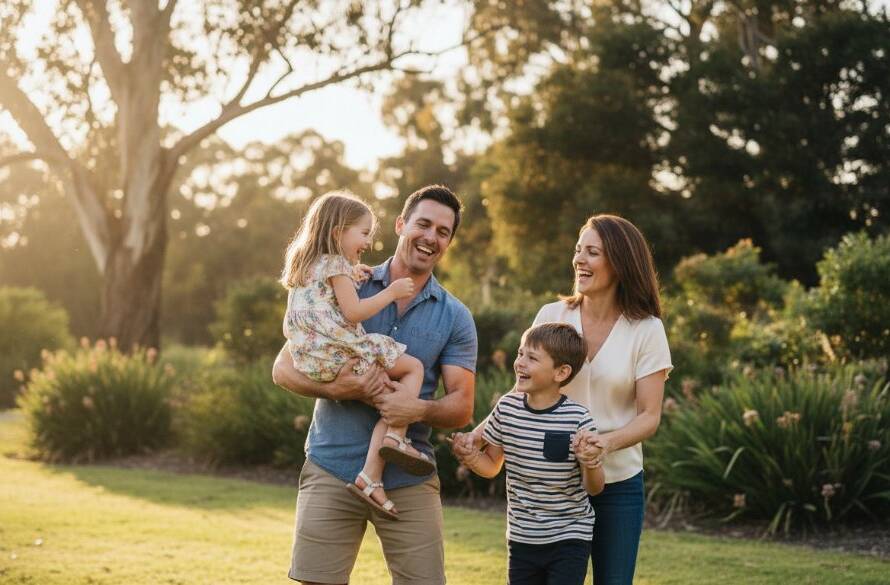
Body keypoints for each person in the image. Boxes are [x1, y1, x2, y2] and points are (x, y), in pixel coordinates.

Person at [272, 185, 477, 585]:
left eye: (443, 231)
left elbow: (462, 407)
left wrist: (415, 409)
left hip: (408, 476)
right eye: (423, 224)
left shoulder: (455, 317)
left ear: (449, 241)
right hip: (331, 466)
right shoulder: (346, 278)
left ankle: (386, 457)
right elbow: (283, 368)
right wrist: (340, 388)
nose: (430, 237)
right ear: (401, 225)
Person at [468, 214, 671, 585]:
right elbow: (521, 390)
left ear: (620, 262)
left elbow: (649, 415)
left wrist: (601, 445)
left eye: (592, 252)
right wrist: (478, 436)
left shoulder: (646, 330)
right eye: (578, 250)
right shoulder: (552, 315)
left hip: (617, 483)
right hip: (552, 488)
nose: (579, 259)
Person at [279, 191, 434, 520]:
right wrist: (391, 292)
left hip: (314, 360)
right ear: (338, 232)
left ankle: (371, 478)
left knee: (388, 396)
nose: (367, 242)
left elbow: (328, 298)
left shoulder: (306, 265)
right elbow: (352, 312)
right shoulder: (336, 264)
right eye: (363, 233)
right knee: (411, 372)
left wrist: (352, 273)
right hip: (340, 352)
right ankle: (391, 443)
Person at [451, 322, 605, 585]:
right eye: (520, 354)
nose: (520, 363)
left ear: (561, 372)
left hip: (569, 536)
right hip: (522, 538)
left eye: (532, 357)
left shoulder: (578, 419)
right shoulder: (506, 409)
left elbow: (594, 488)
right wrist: (471, 456)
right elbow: (492, 465)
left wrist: (590, 462)